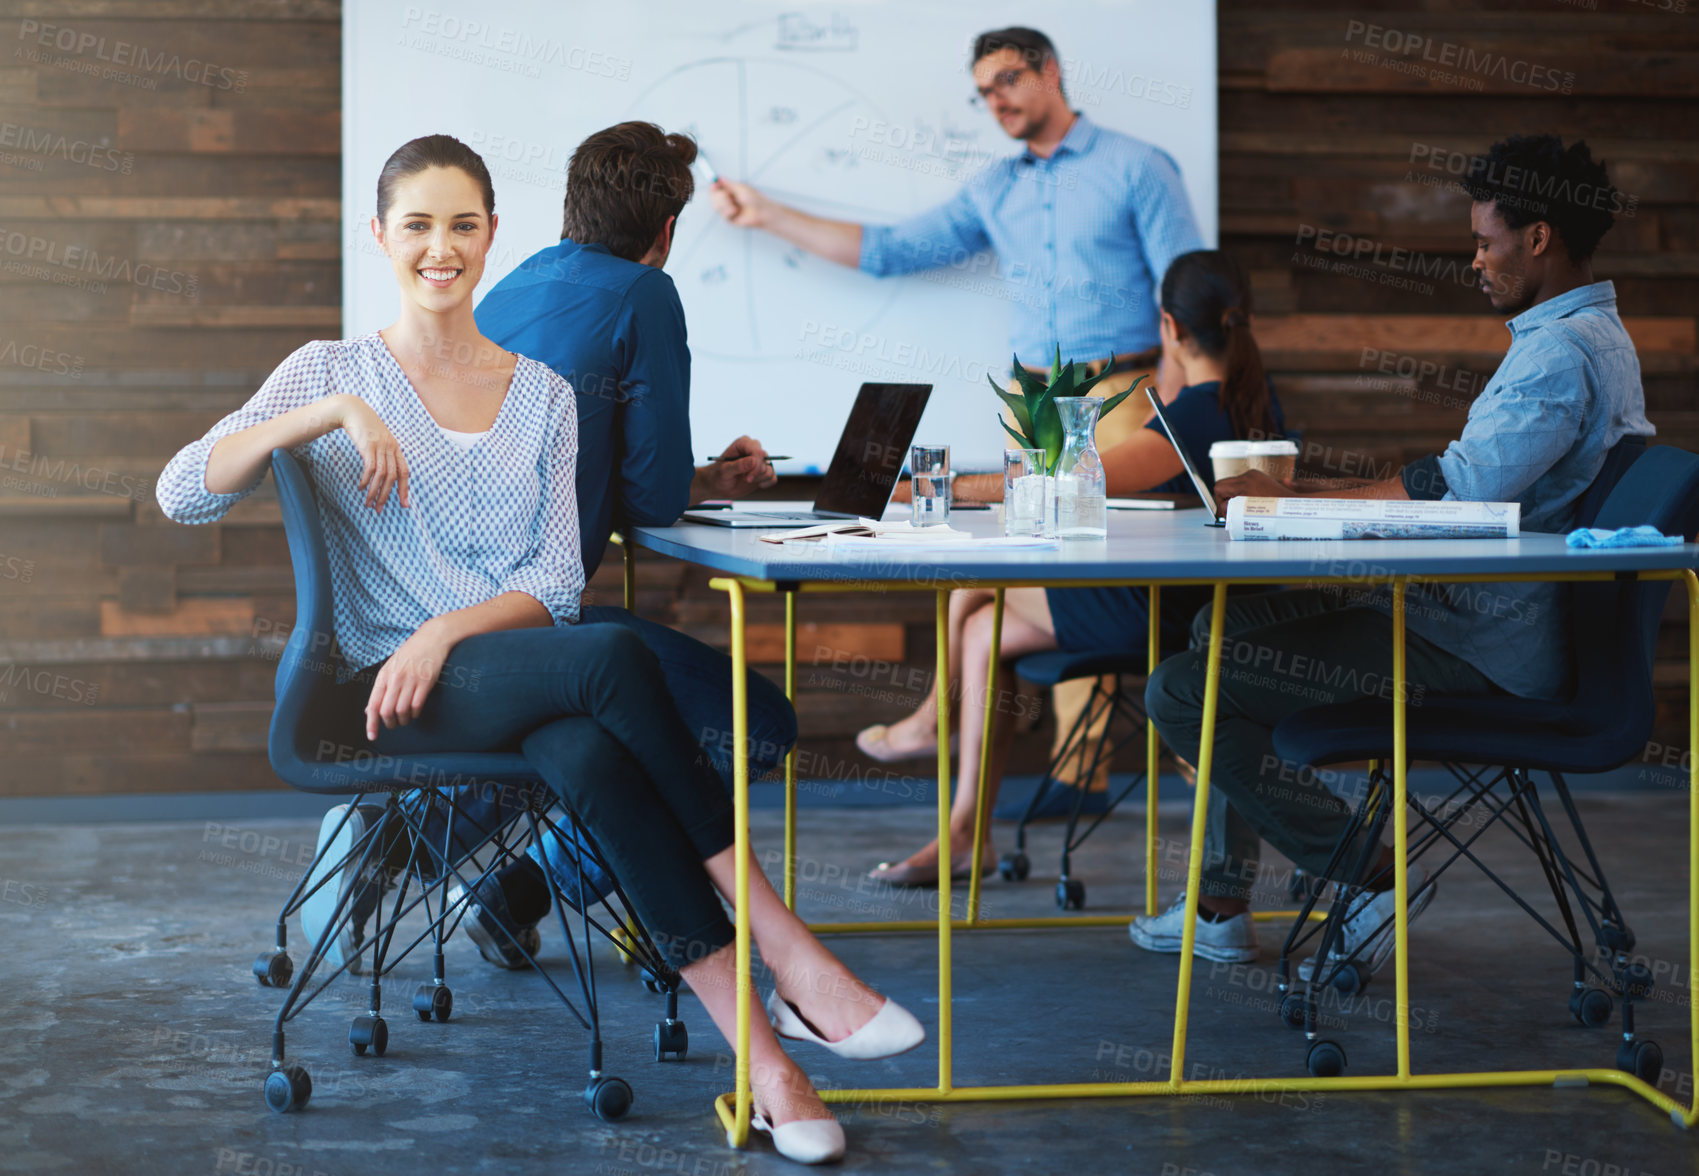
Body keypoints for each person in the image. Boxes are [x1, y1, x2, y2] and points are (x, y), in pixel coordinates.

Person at [156, 135, 922, 1164]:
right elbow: (182, 491)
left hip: (476, 666)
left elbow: (553, 583)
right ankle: (795, 960)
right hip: (371, 692)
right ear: (379, 237)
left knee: (593, 750)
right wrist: (332, 411)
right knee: (614, 659)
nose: (441, 247)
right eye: (417, 225)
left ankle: (770, 1067)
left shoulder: (543, 396)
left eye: (462, 225)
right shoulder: (329, 371)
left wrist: (445, 628)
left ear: (492, 237)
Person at [1138, 133, 1653, 973]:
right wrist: (1293, 501)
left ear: (1537, 238)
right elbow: (1462, 488)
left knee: (1180, 691)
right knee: (1218, 627)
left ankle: (1367, 874)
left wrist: (1292, 501)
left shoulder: (1560, 353)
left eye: (1484, 242)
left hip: (1477, 643)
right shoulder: (1582, 334)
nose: (1474, 261)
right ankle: (1222, 902)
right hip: (1465, 613)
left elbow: (1454, 490)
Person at [711, 24, 1207, 801]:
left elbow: (1185, 292)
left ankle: (1194, 783)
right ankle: (1064, 781)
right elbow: (889, 250)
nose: (996, 100)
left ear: (1048, 72)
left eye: (1008, 80)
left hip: (1119, 393)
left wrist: (1180, 412)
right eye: (983, 91)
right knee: (1036, 569)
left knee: (1113, 576)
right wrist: (766, 214)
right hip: (1034, 404)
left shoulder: (1137, 166)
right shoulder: (994, 189)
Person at [351, 121, 802, 972]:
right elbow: (654, 496)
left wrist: (709, 477)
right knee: (753, 724)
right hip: (528, 623)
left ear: (569, 206)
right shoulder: (644, 296)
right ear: (665, 232)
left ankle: (445, 851)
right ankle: (520, 889)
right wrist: (701, 478)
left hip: (446, 610)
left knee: (629, 694)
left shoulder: (514, 283)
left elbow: (607, 468)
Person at [855, 250, 1285, 885]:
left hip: (1172, 612)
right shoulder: (1251, 398)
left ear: (1168, 326)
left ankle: (936, 730)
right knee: (980, 629)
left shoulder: (1198, 410)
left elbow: (1071, 482)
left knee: (974, 589)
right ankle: (963, 829)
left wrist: (924, 487)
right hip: (1190, 599)